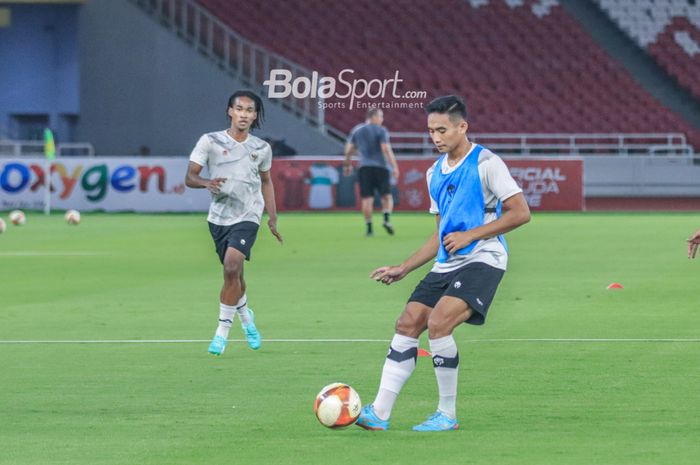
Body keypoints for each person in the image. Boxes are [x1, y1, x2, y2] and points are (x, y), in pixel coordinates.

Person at [356, 95, 531, 432]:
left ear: (462, 127)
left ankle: (447, 414)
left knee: (438, 323)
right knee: (407, 322)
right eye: (430, 131)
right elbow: (441, 234)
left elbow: (521, 212)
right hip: (447, 263)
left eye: (442, 130)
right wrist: (404, 267)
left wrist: (472, 235)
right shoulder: (434, 172)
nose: (435, 138)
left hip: (485, 258)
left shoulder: (486, 163)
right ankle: (379, 412)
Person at [185, 90, 283, 356]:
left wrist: (271, 217)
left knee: (231, 266)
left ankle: (221, 333)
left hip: (249, 214)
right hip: (218, 217)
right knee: (235, 276)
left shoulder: (261, 148)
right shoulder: (210, 141)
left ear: (255, 116)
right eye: (239, 109)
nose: (244, 114)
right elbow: (190, 177)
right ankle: (246, 318)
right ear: (230, 111)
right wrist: (207, 182)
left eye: (250, 110)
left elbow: (266, 181)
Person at [343, 107, 400, 236]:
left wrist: (347, 165)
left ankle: (369, 228)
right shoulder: (381, 130)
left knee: (367, 199)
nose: (382, 119)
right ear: (374, 117)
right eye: (381, 116)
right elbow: (385, 148)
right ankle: (386, 219)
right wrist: (394, 166)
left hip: (364, 167)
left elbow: (349, 150)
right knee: (386, 196)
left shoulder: (357, 130)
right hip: (381, 167)